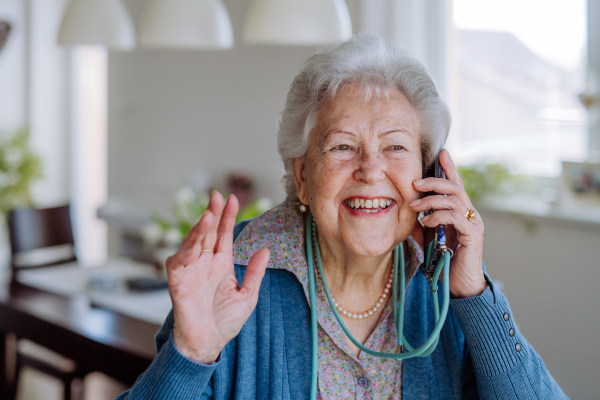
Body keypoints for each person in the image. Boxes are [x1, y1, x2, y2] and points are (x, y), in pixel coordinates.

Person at [117, 33, 567, 399]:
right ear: (304, 175)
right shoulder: (232, 278)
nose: (371, 171)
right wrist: (191, 354)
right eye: (342, 147)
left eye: (395, 147)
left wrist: (474, 293)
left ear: (431, 173)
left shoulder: (447, 285)